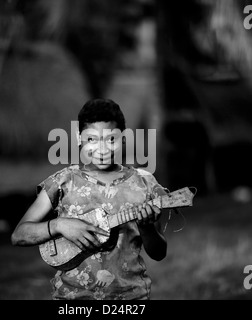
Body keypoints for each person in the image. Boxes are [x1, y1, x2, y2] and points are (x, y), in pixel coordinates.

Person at [11, 98, 167, 300]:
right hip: (72, 299)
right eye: (92, 139)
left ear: (124, 137)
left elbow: (159, 252)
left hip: (131, 298)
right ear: (79, 137)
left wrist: (147, 227)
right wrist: (59, 225)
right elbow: (19, 235)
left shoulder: (144, 183)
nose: (102, 150)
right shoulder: (63, 181)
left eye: (111, 139)